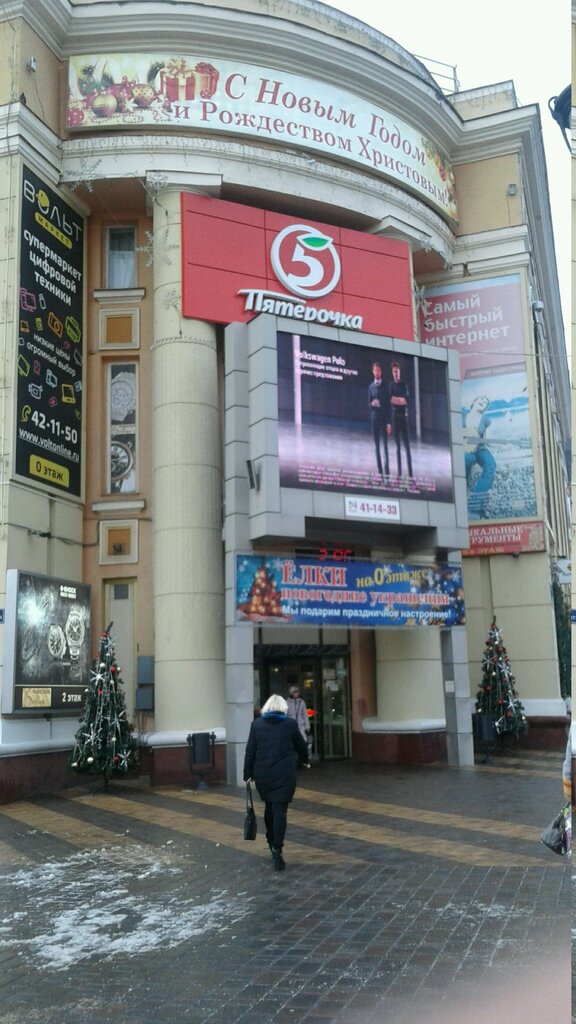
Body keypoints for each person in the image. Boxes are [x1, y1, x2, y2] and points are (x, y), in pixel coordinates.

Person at [243, 693, 310, 870]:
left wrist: (247, 773)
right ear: (283, 708)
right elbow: (301, 746)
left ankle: (270, 839)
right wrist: (305, 760)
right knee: (280, 809)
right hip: (284, 774)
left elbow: (250, 751)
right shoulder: (290, 724)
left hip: (263, 774)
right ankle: (277, 848)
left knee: (269, 806)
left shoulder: (257, 725)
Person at [463, 394, 496, 519]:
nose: (484, 401)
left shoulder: (486, 420)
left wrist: (504, 446)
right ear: (474, 401)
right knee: (467, 459)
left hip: (480, 448)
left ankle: (474, 502)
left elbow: (489, 441)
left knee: (490, 464)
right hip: (465, 448)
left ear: (485, 408)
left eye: (486, 402)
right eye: (482, 399)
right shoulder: (461, 415)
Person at [388, 360, 413, 478]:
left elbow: (406, 401)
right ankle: (399, 473)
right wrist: (400, 400)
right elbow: (390, 400)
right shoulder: (390, 386)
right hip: (395, 419)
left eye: (397, 371)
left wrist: (396, 400)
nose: (396, 373)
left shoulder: (404, 385)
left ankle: (411, 474)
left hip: (404, 418)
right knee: (398, 447)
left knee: (407, 447)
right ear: (392, 373)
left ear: (400, 372)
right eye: (394, 372)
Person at [368, 361, 391, 477]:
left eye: (378, 370)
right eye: (375, 370)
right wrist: (372, 404)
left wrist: (389, 423)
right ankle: (380, 472)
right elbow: (369, 403)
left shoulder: (385, 387)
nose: (376, 372)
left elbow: (388, 406)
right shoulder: (371, 387)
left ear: (380, 372)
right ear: (373, 372)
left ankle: (387, 473)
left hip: (384, 420)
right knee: (376, 447)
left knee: (385, 447)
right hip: (375, 420)